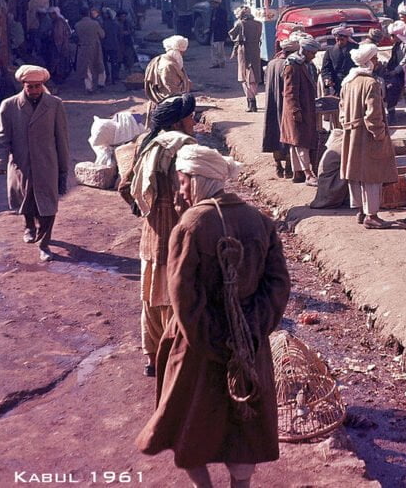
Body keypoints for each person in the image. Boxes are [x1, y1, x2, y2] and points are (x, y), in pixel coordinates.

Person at [136, 144, 290, 488]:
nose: (180, 191)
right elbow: (278, 285)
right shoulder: (260, 222)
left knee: (188, 422)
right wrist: (250, 329)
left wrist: (213, 341)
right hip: (249, 343)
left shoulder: (191, 225)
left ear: (198, 180)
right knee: (244, 421)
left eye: (183, 182)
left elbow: (183, 297)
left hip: (197, 348)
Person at [119, 94, 196, 376]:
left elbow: (124, 187)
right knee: (174, 296)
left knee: (151, 297)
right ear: (178, 121)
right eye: (190, 116)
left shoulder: (147, 143)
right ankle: (173, 356)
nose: (194, 121)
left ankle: (152, 357)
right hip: (176, 231)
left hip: (151, 235)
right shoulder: (183, 147)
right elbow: (190, 196)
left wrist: (145, 208)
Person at [0, 65, 69, 262]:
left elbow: (61, 138)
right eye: (30, 86)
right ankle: (29, 225)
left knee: (48, 205)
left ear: (43, 85)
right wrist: (0, 162)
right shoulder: (9, 106)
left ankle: (44, 244)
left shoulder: (54, 104)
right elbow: (2, 137)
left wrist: (63, 168)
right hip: (21, 163)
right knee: (26, 200)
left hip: (47, 163)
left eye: (38, 86)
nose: (35, 90)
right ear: (23, 85)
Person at [338, 43, 397, 229]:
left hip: (351, 133)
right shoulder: (371, 83)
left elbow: (341, 111)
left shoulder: (348, 81)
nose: (377, 61)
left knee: (357, 174)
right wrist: (379, 135)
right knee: (373, 176)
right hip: (367, 136)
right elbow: (373, 115)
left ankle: (360, 211)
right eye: (375, 58)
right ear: (368, 61)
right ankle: (371, 215)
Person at [280, 37, 320, 186]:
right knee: (300, 142)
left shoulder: (306, 64)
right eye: (313, 53)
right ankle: (308, 174)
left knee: (296, 142)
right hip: (297, 110)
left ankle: (298, 174)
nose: (314, 56)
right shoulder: (293, 66)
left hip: (305, 108)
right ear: (306, 51)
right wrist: (295, 110)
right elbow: (290, 92)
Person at [262, 39, 298, 178]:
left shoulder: (271, 64)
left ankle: (278, 165)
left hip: (272, 104)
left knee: (273, 133)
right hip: (286, 105)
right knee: (288, 133)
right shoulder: (290, 65)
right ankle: (289, 167)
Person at [143, 36, 191, 118]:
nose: (183, 55)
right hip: (167, 108)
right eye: (182, 52)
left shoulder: (163, 59)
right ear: (177, 51)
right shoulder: (169, 66)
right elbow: (170, 92)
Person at [228, 6, 262, 112]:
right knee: (254, 76)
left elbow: (232, 35)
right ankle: (253, 102)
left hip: (244, 51)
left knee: (244, 77)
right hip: (256, 51)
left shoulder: (240, 23)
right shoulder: (258, 24)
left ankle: (251, 102)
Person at [74, 6, 106, 93]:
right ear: (88, 13)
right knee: (99, 64)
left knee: (86, 67)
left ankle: (89, 87)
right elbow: (102, 35)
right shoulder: (95, 23)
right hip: (95, 46)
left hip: (83, 47)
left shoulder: (77, 25)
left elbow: (76, 37)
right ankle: (101, 83)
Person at [320, 27, 357, 95]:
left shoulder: (356, 49)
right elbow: (325, 68)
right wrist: (327, 78)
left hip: (353, 83)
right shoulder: (330, 51)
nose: (340, 42)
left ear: (347, 38)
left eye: (342, 40)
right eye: (338, 40)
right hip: (337, 85)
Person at [48, 7, 71, 82]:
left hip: (60, 46)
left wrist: (59, 47)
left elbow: (59, 35)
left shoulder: (59, 22)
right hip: (62, 45)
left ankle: (60, 78)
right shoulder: (59, 20)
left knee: (60, 62)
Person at [101, 8, 122, 85]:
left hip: (105, 46)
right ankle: (114, 78)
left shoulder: (103, 24)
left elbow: (101, 35)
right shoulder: (116, 24)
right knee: (114, 62)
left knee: (105, 62)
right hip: (114, 45)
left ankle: (107, 77)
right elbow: (120, 35)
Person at [209, 0, 228, 68]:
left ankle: (222, 62)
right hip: (214, 33)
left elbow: (222, 23)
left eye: (213, 3)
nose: (212, 5)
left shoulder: (222, 11)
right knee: (214, 49)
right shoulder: (213, 11)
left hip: (220, 33)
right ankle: (215, 63)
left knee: (220, 49)